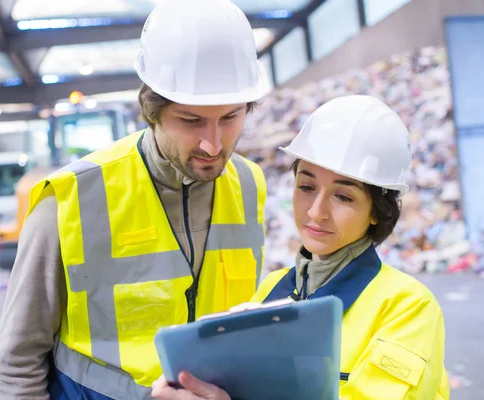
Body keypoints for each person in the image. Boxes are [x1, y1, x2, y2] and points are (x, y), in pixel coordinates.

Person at [0, 0, 270, 398]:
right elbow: (18, 364)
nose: (214, 144)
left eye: (231, 117)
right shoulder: (69, 202)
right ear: (150, 110)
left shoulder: (248, 183)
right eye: (190, 120)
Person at [151, 95, 450, 400]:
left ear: (377, 210)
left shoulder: (407, 307)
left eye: (343, 197)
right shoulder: (272, 290)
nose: (316, 211)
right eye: (306, 187)